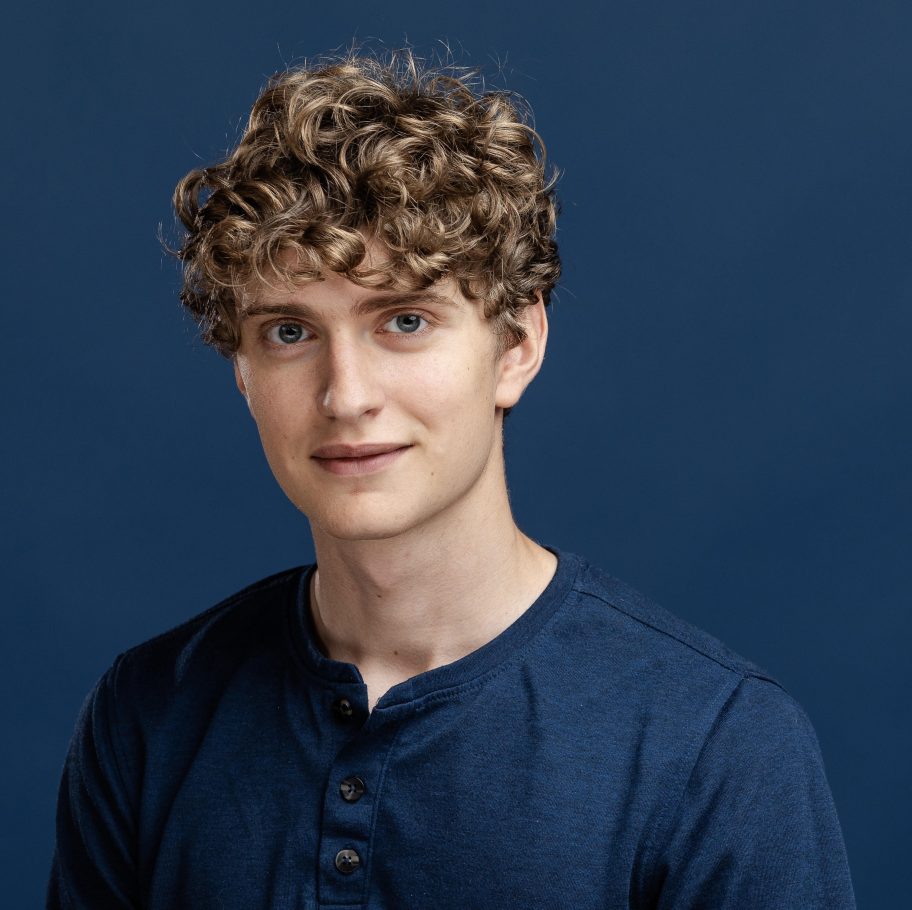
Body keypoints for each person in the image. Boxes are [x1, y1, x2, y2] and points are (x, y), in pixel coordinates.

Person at [47, 51, 856, 908]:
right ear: (242, 371)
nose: (345, 396)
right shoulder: (149, 715)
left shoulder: (715, 746)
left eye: (404, 319)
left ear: (516, 347)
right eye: (289, 332)